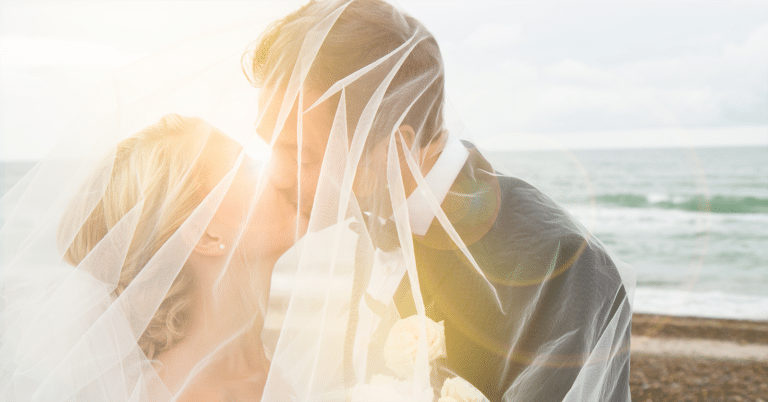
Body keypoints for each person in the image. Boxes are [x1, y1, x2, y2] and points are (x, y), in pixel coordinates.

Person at [245, 0, 635, 401]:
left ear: (396, 149)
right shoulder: (354, 228)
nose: (274, 175)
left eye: (302, 155)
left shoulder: (562, 267)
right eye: (269, 147)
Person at [0, 113, 302, 401]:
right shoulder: (191, 395)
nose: (280, 174)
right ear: (205, 235)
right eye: (246, 167)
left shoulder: (256, 370)